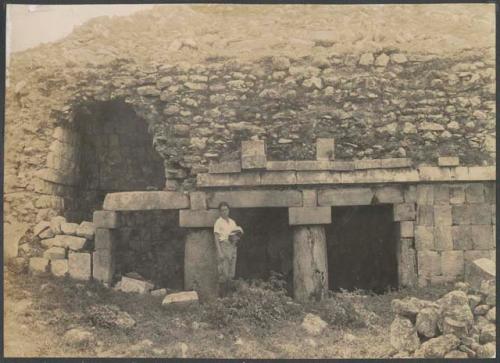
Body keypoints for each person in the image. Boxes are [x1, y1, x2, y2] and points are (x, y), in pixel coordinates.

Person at [213, 202, 243, 296]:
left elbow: (236, 234)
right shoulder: (218, 222)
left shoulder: (232, 222)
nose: (224, 212)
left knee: (231, 273)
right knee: (224, 274)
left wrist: (235, 240)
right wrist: (220, 252)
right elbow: (216, 238)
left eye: (226, 209)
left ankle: (229, 298)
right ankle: (221, 297)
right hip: (224, 246)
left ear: (228, 210)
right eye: (222, 210)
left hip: (232, 246)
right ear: (219, 212)